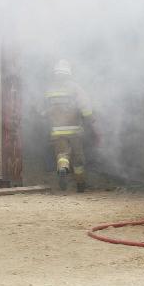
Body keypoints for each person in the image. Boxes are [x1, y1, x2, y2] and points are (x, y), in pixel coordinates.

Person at [42, 59, 96, 192]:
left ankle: (62, 169)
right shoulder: (75, 87)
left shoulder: (50, 89)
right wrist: (90, 119)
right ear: (69, 73)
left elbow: (43, 110)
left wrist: (48, 117)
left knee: (62, 154)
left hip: (57, 130)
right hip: (74, 130)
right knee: (78, 158)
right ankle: (80, 184)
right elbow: (85, 105)